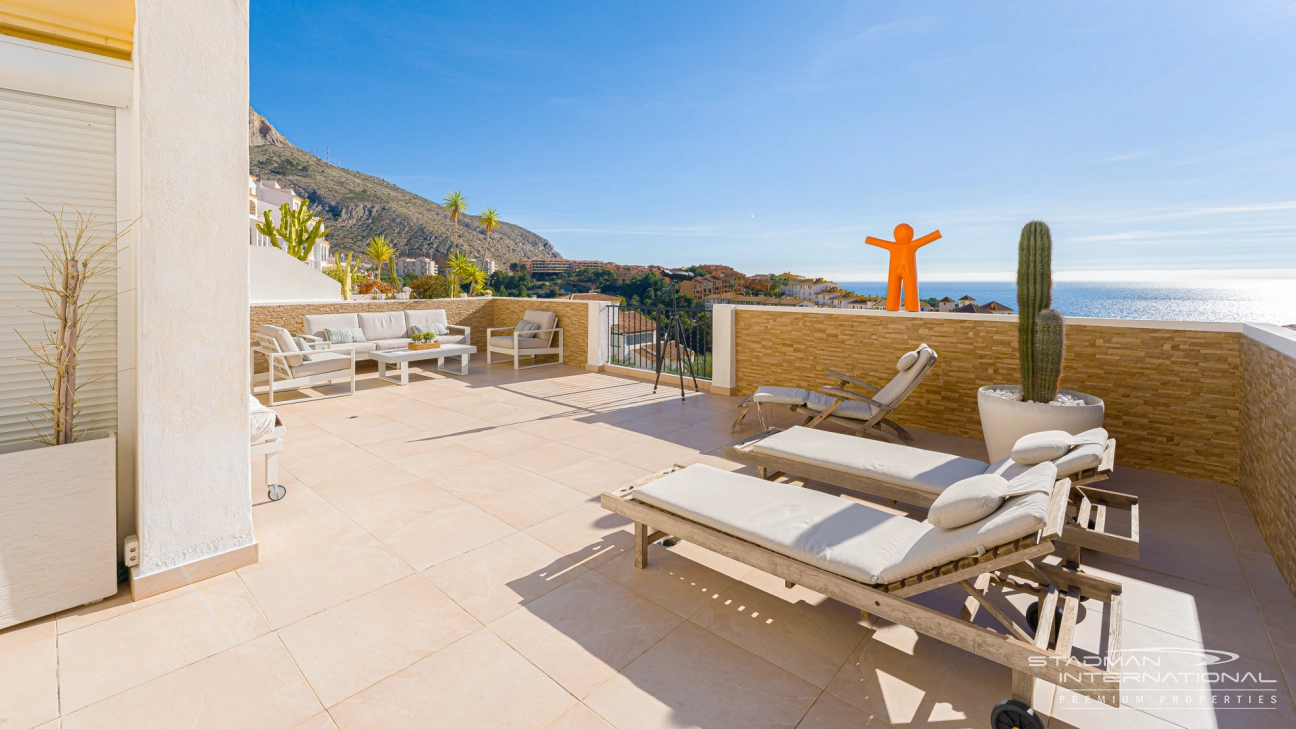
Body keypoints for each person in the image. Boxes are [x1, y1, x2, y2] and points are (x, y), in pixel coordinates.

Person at [865, 223, 942, 311]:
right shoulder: (912, 244)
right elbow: (928, 238)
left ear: (895, 234)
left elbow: (875, 241)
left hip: (894, 270)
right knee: (911, 288)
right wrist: (937, 234)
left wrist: (868, 239)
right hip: (908, 270)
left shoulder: (892, 245)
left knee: (892, 290)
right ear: (911, 234)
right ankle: (912, 307)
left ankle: (892, 307)